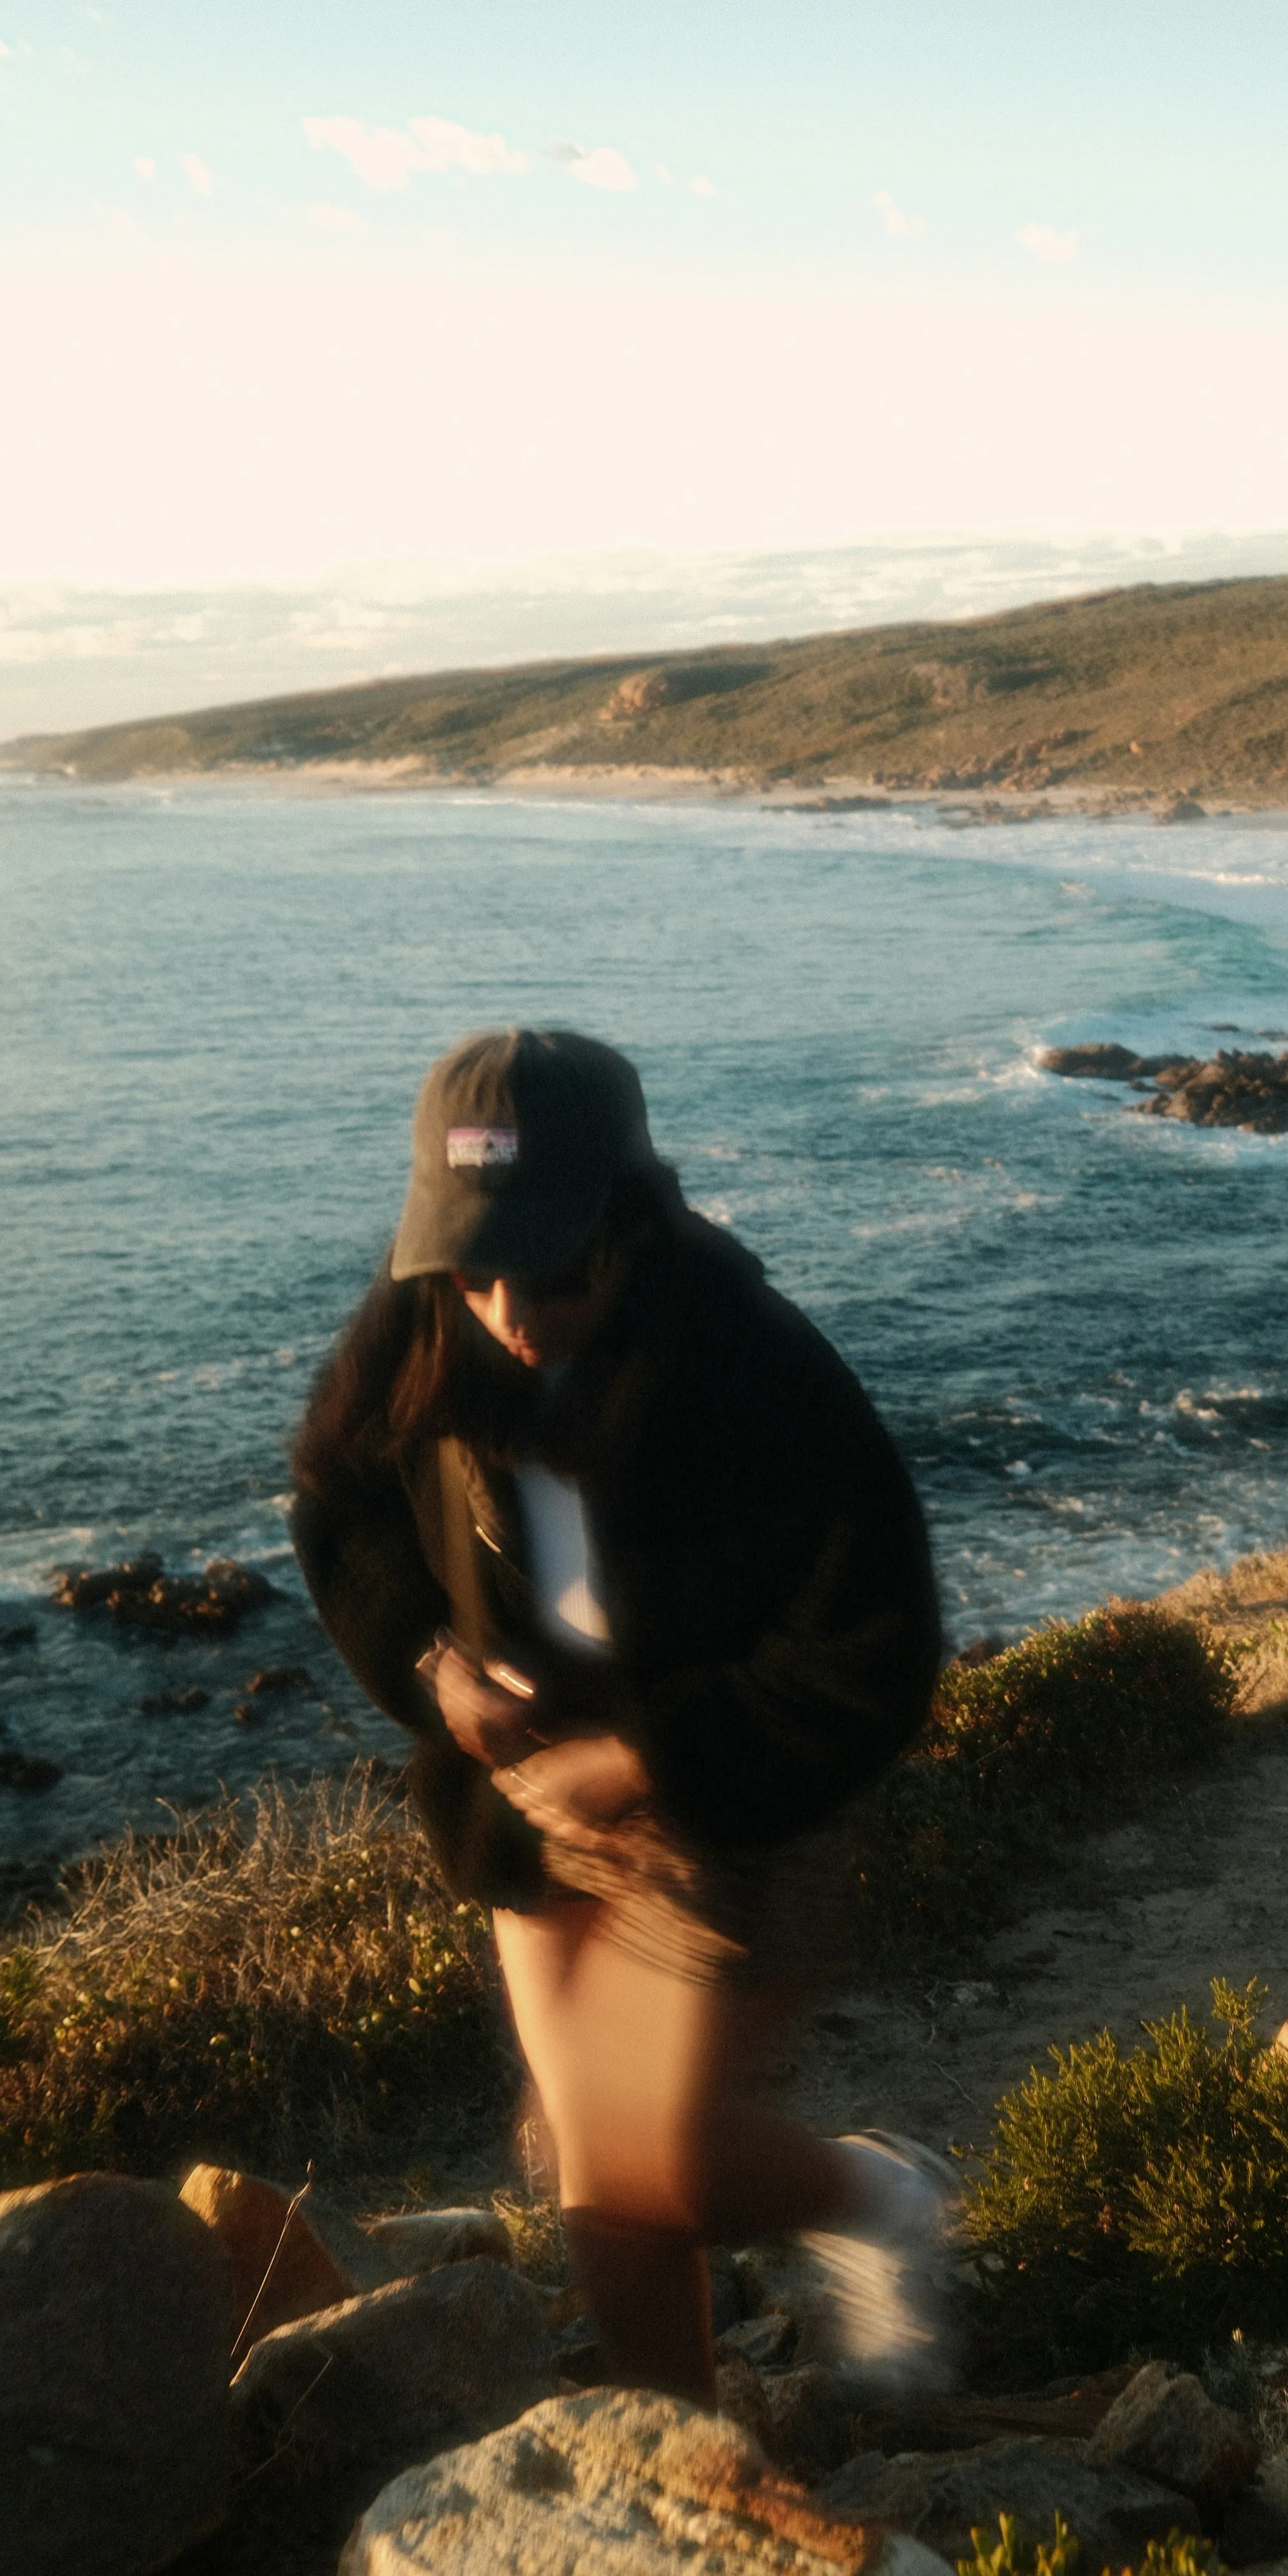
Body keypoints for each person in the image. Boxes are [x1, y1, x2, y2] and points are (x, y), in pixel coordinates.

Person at [291, 1026, 952, 2405]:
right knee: (593, 2181)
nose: (513, 1310)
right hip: (526, 1803)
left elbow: (875, 1645)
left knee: (648, 2157)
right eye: (476, 1264)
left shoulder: (755, 1367)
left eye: (555, 1268)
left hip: (723, 1806)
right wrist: (431, 1669)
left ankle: (879, 2196)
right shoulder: (422, 1317)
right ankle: (679, 2461)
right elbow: (338, 1499)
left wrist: (646, 1753)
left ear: (634, 1224)